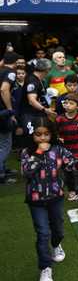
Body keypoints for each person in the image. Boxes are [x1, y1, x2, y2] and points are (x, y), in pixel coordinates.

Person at [22, 120, 78, 281]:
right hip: (36, 200)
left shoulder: (58, 149)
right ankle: (45, 268)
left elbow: (71, 163)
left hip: (56, 197)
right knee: (42, 233)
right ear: (32, 135)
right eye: (38, 134)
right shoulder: (26, 152)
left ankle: (56, 244)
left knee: (58, 229)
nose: (43, 138)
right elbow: (26, 172)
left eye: (46, 134)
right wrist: (38, 153)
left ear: (51, 134)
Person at [56, 93, 78, 207]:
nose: (68, 105)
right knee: (67, 172)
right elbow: (56, 132)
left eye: (71, 103)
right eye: (66, 103)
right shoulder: (59, 119)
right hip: (65, 151)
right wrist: (58, 138)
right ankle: (72, 191)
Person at [22, 59, 56, 139]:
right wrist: (45, 110)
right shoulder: (32, 81)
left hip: (37, 114)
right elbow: (31, 100)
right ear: (47, 70)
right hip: (30, 114)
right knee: (33, 137)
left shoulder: (39, 80)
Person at [0, 52, 19, 184]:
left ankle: (3, 168)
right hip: (2, 112)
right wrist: (10, 110)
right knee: (5, 144)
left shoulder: (1, 70)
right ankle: (1, 174)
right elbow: (4, 89)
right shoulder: (10, 72)